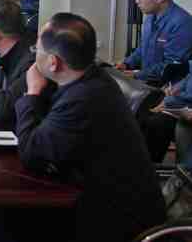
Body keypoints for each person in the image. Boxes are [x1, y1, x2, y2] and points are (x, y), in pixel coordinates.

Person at [17, 13, 165, 242]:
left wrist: (33, 93)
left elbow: (32, 153)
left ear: (54, 62)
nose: (34, 56)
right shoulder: (91, 78)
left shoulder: (84, 97)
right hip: (99, 199)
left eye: (36, 50)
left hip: (113, 220)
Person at [116, 0, 192, 84]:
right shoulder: (150, 16)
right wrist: (126, 64)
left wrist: (137, 75)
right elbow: (142, 49)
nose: (136, 1)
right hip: (147, 81)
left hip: (169, 87)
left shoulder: (182, 23)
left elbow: (170, 67)